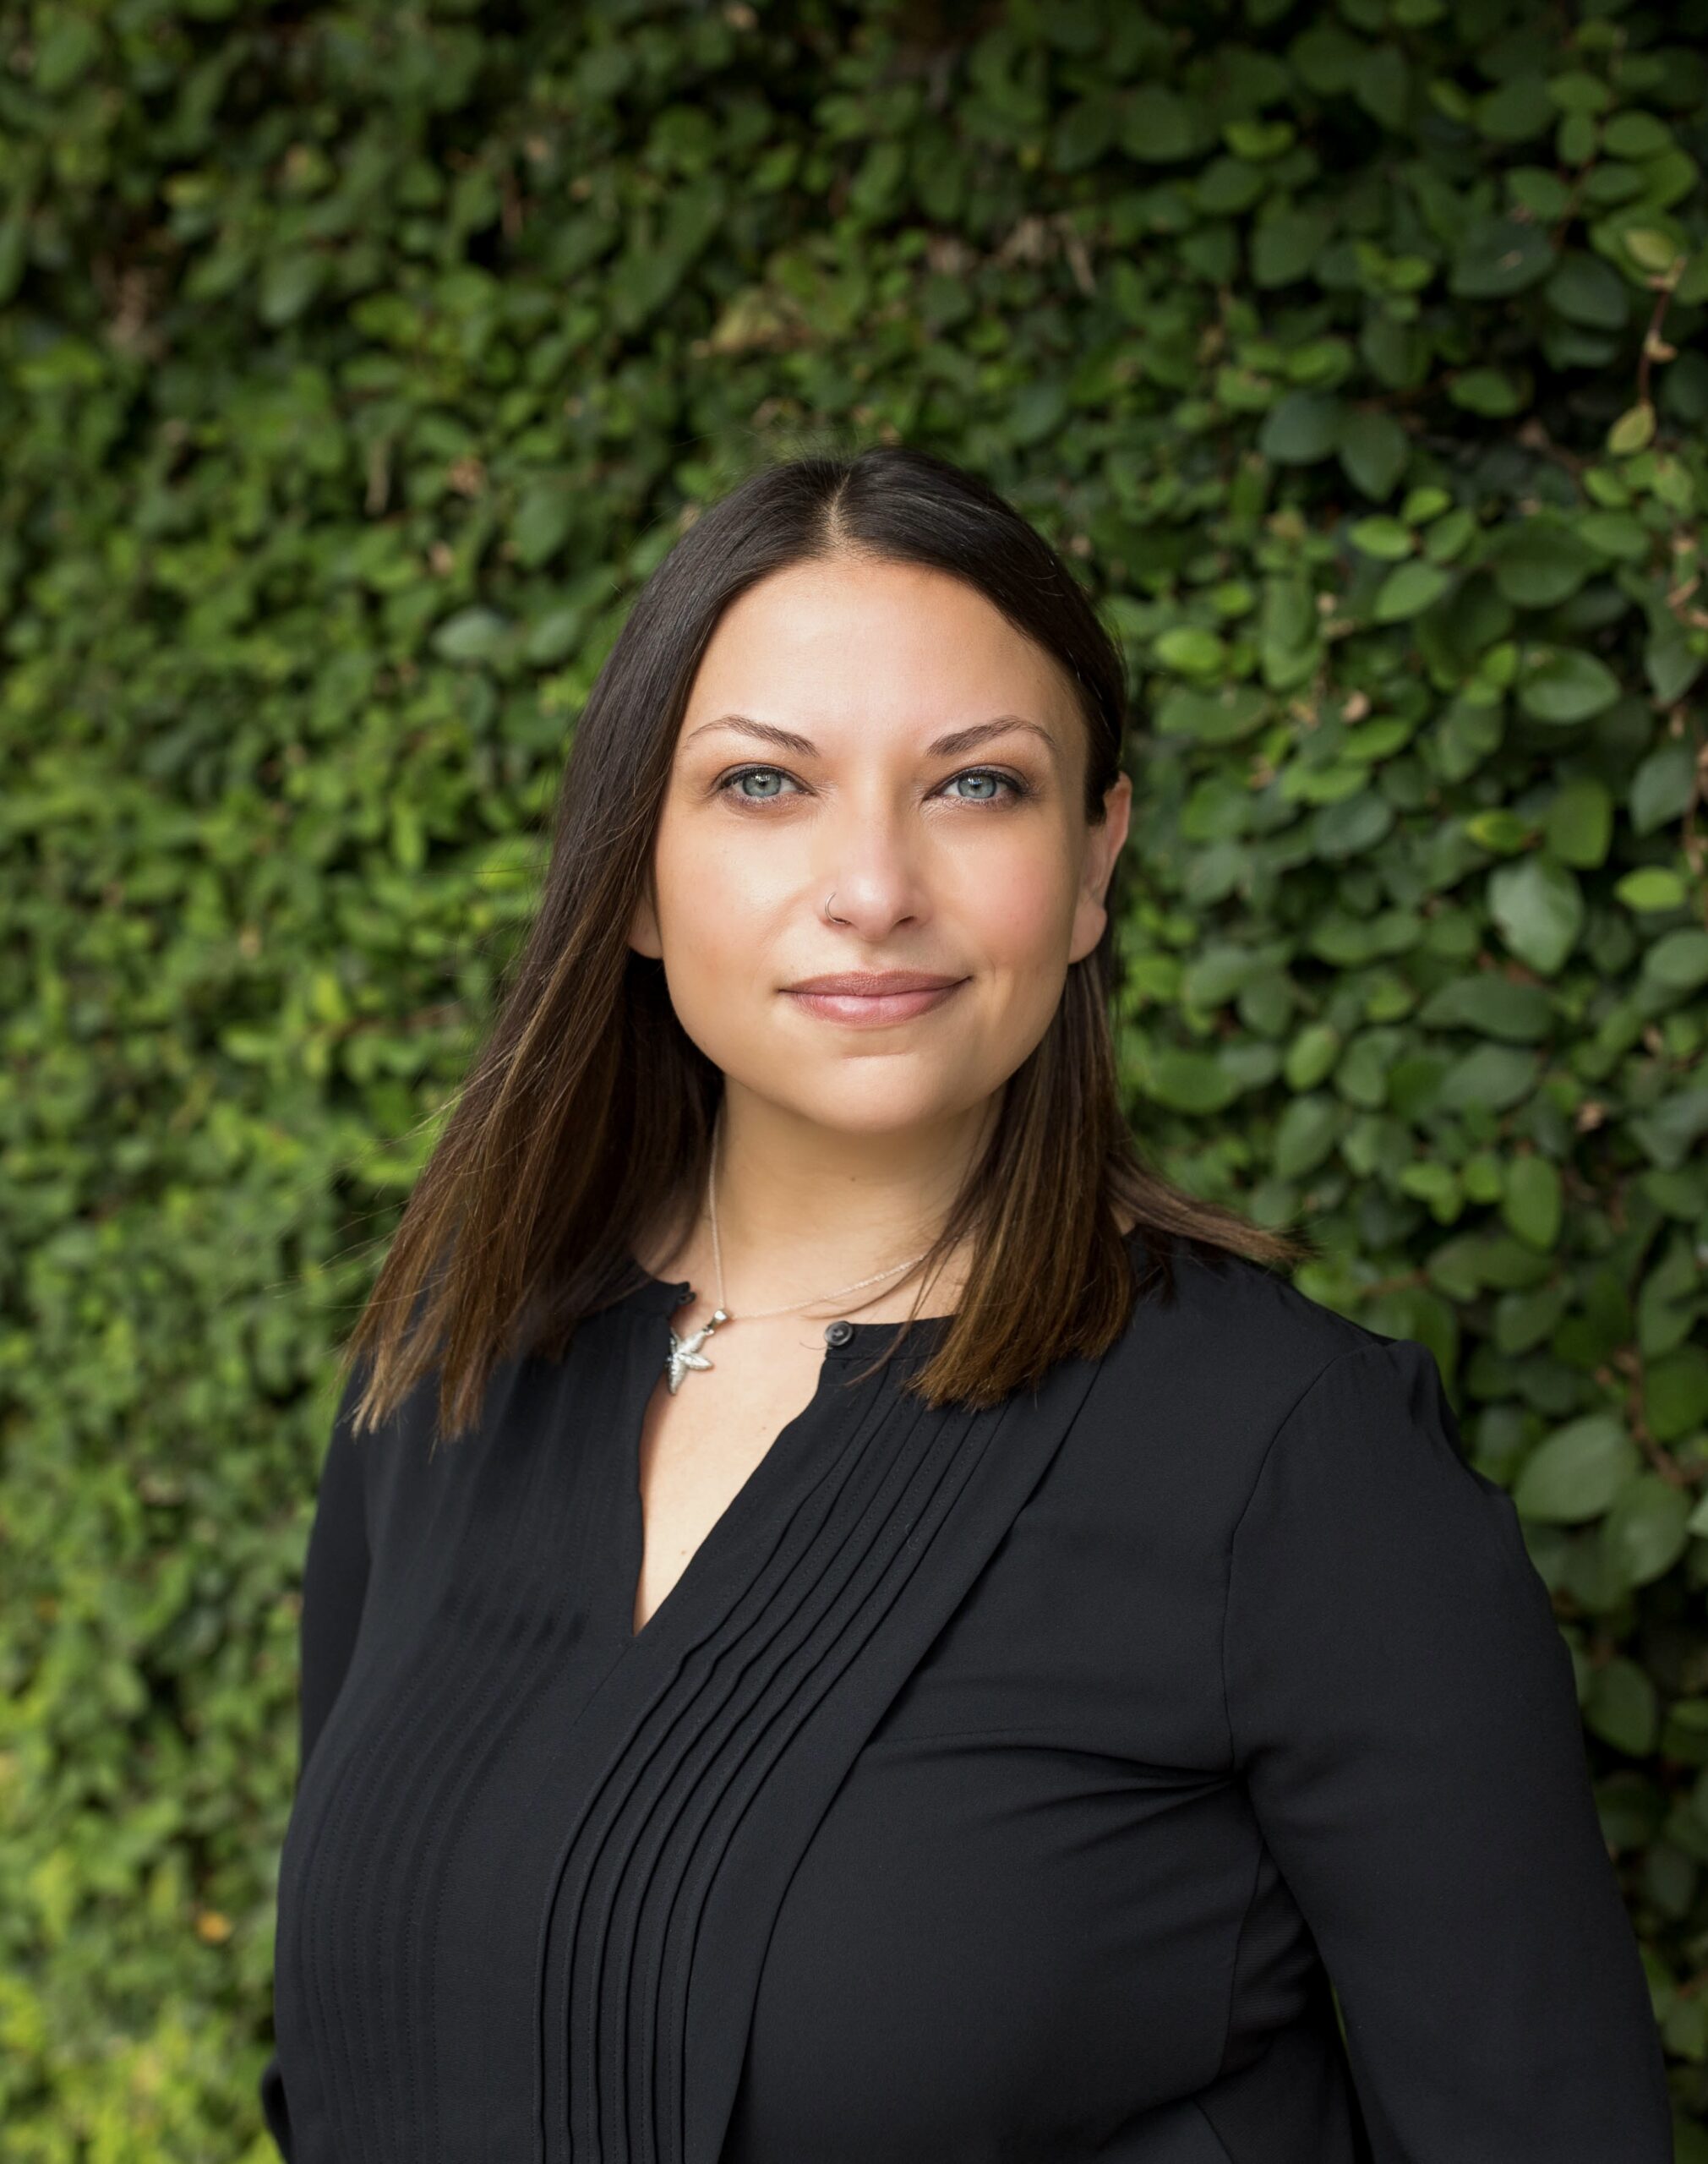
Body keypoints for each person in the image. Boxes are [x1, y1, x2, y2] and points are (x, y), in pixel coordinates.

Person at [259, 443, 1670, 2163]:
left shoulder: (1290, 1462)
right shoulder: (447, 1376)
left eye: (977, 787)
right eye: (766, 785)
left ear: (1093, 864)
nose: (874, 886)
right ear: (633, 869)